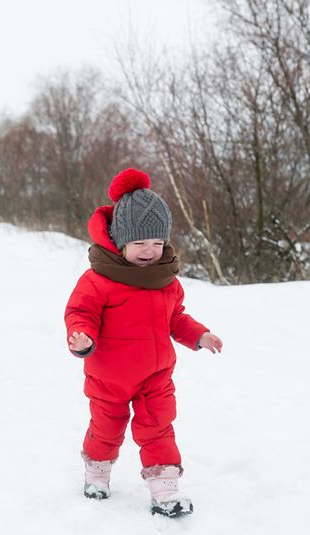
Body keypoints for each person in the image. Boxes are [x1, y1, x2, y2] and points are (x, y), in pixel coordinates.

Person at [64, 168, 223, 517]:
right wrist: (81, 337)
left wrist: (199, 334)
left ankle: (165, 490)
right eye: (140, 244)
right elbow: (80, 312)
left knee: (159, 428)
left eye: (156, 243)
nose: (150, 251)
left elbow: (175, 318)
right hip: (109, 375)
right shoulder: (99, 281)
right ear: (121, 242)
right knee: (106, 428)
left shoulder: (166, 281)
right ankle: (97, 473)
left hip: (155, 377)